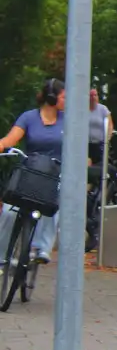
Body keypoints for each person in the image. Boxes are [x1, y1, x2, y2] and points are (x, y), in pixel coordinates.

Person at [0, 78, 66, 263]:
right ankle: (2, 256)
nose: (66, 101)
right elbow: (11, 139)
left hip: (55, 174)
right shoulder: (29, 117)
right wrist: (2, 145)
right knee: (8, 211)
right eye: (63, 97)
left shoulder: (68, 120)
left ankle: (41, 249)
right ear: (52, 99)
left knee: (54, 204)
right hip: (31, 170)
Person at [88, 88, 113, 164]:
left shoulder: (103, 109)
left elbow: (110, 125)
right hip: (85, 144)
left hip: (99, 144)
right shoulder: (82, 109)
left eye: (95, 95)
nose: (93, 98)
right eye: (91, 95)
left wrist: (107, 140)